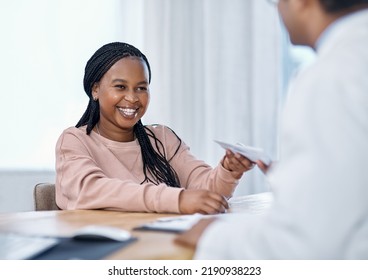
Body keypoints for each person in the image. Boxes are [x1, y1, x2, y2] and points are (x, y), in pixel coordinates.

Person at [175, 0, 368, 259]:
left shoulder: (329, 79)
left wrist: (212, 237)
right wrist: (305, 175)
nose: (276, 9)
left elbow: (303, 245)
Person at [55, 42, 254, 214]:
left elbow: (208, 195)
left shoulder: (162, 138)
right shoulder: (75, 140)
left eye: (141, 88)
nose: (132, 98)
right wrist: (176, 200)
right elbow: (90, 190)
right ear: (95, 89)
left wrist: (228, 170)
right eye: (120, 87)